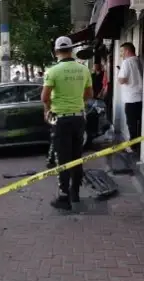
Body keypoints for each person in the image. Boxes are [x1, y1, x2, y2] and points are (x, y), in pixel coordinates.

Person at [41, 36, 93, 211]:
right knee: (77, 157)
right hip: (78, 118)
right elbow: (89, 94)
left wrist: (48, 109)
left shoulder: (52, 71)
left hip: (61, 119)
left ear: (56, 51)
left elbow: (44, 97)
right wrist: (78, 104)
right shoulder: (83, 70)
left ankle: (64, 197)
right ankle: (75, 194)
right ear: (72, 50)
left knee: (62, 159)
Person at [117, 42, 143, 156]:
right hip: (141, 97)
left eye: (122, 51)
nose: (121, 54)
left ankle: (133, 147)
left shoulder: (126, 62)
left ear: (127, 51)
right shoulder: (139, 60)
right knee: (139, 124)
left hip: (131, 98)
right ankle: (138, 145)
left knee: (131, 124)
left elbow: (122, 80)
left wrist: (119, 75)